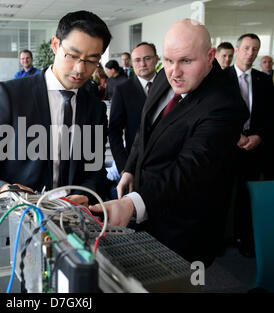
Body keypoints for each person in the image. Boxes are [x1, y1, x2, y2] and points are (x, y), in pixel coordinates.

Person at [90, 19, 248, 267]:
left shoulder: (224, 104)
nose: (174, 71)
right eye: (168, 60)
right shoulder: (167, 74)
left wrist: (132, 203)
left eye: (186, 61)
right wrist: (131, 167)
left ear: (210, 56)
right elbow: (146, 128)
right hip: (146, 206)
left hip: (184, 226)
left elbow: (189, 168)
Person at [0, 10, 111, 205]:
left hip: (73, 221)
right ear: (55, 45)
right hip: (19, 217)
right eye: (72, 55)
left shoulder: (95, 109)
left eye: (92, 60)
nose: (80, 69)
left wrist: (86, 195)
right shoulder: (10, 96)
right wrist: (4, 191)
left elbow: (96, 173)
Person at [224, 34, 274, 257]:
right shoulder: (220, 78)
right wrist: (234, 135)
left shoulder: (264, 80)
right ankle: (219, 241)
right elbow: (215, 114)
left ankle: (244, 239)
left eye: (255, 49)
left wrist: (259, 137)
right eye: (246, 48)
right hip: (227, 147)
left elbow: (271, 115)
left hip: (253, 147)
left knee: (248, 197)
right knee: (222, 195)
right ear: (237, 50)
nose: (250, 53)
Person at [109, 42, 159, 175]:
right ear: (132, 62)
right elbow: (114, 131)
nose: (142, 64)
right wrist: (124, 167)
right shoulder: (122, 90)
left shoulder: (171, 85)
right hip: (137, 164)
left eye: (147, 58)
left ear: (156, 59)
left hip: (170, 162)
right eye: (137, 60)